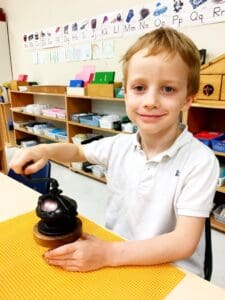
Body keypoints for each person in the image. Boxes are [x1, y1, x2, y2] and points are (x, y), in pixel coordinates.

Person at [10, 27, 219, 277]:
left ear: (187, 99)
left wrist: (109, 254)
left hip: (171, 270)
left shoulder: (200, 161)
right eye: (139, 87)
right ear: (126, 93)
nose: (150, 100)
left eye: (168, 89)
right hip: (117, 254)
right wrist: (45, 148)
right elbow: (78, 151)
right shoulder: (120, 145)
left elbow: (183, 243)